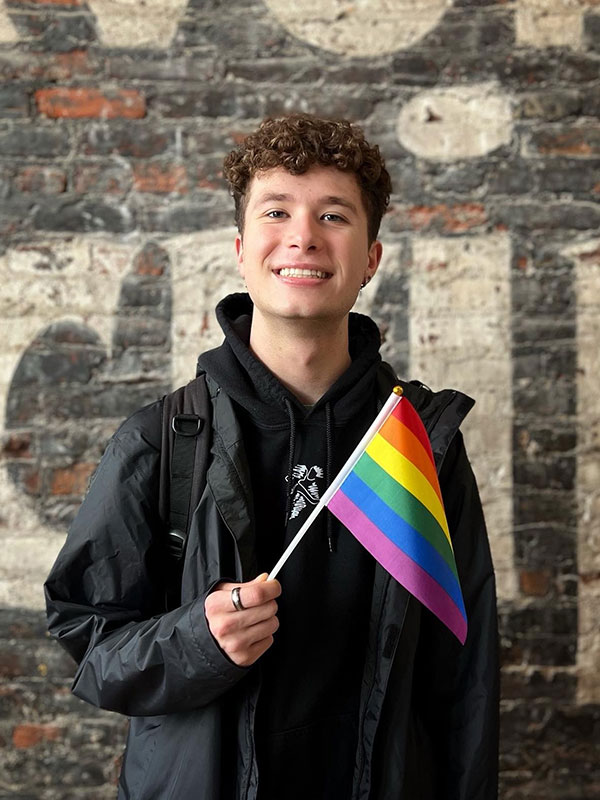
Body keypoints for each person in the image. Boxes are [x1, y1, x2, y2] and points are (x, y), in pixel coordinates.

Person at [45, 113, 499, 799]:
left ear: (371, 258)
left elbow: (464, 679)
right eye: (277, 211)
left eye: (334, 216)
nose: (303, 237)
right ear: (240, 247)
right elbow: (89, 641)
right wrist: (198, 639)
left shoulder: (418, 445)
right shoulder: (161, 439)